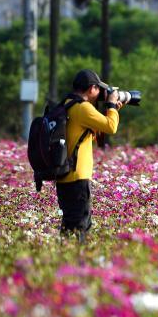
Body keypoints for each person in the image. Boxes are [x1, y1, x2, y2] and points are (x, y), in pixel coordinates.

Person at [55, 69, 122, 241]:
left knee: (70, 225)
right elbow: (111, 127)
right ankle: (76, 263)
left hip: (63, 177)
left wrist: (112, 110)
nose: (100, 93)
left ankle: (64, 259)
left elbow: (85, 134)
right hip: (78, 177)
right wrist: (112, 106)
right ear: (92, 88)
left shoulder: (67, 103)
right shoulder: (83, 108)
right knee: (80, 227)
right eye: (98, 89)